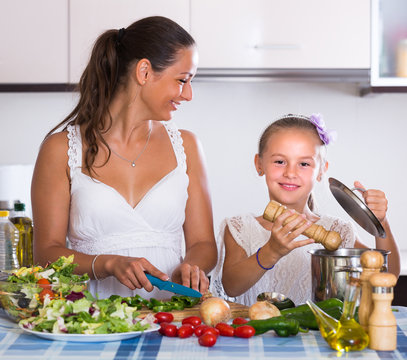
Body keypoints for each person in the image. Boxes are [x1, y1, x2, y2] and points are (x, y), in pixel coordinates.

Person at [31, 16, 217, 299]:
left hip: (172, 317)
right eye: (182, 80)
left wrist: (192, 266)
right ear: (144, 72)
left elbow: (204, 243)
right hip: (94, 320)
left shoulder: (188, 145)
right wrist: (106, 263)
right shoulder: (60, 149)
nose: (188, 94)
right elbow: (45, 253)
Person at [210, 114, 400, 306]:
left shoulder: (337, 231)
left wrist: (381, 224)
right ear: (259, 164)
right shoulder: (240, 228)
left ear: (321, 171)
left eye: (304, 164)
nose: (290, 173)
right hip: (254, 334)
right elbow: (231, 287)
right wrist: (271, 251)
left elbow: (387, 276)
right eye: (279, 161)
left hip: (319, 336)